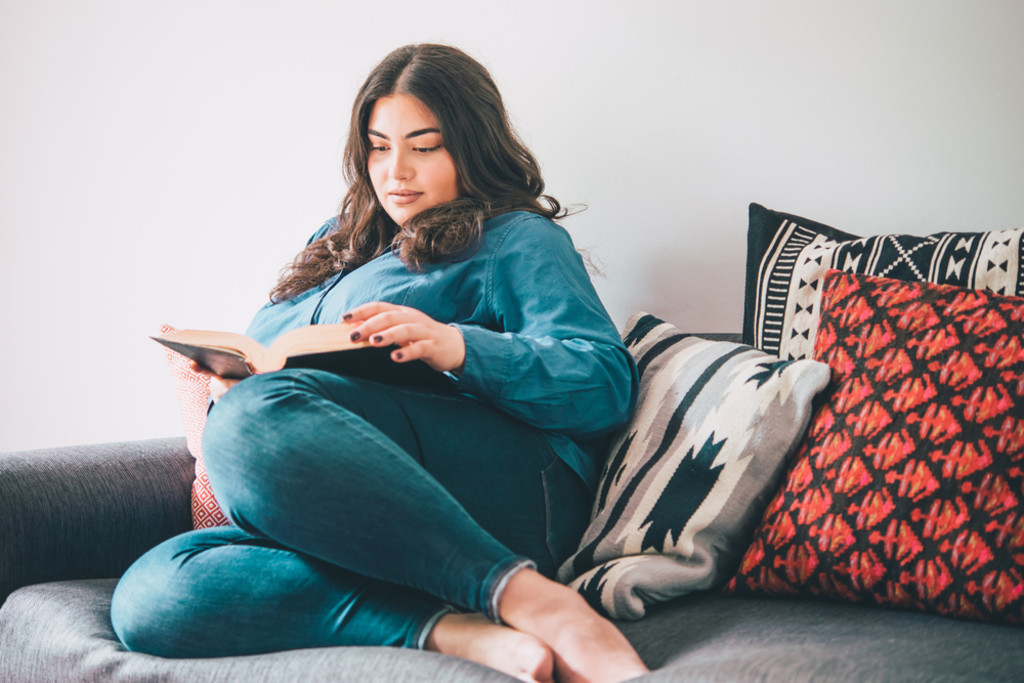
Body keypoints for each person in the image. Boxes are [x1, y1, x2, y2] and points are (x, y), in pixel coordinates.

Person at [111, 43, 650, 683]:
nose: (397, 171)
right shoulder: (331, 243)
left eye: (424, 146)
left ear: (471, 146)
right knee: (151, 594)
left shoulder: (515, 238)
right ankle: (457, 632)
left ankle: (530, 597)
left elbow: (603, 383)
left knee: (254, 418)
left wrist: (459, 348)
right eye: (379, 146)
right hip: (343, 506)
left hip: (503, 494)